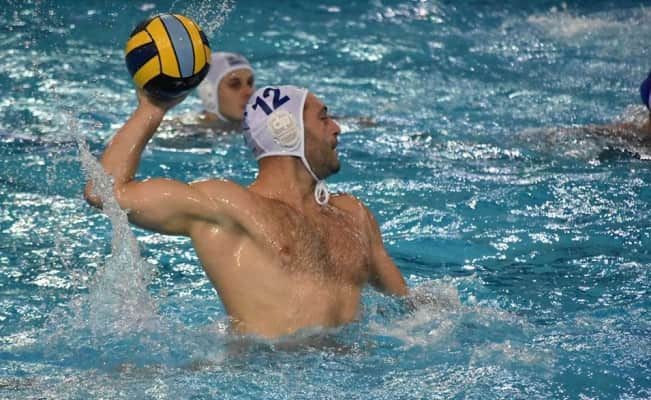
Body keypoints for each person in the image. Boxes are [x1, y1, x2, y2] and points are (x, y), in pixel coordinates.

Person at [84, 84, 408, 339]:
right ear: (286, 129)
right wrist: (152, 108)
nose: (337, 128)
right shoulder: (229, 207)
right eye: (323, 118)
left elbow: (408, 309)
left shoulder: (353, 215)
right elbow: (104, 193)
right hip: (267, 376)